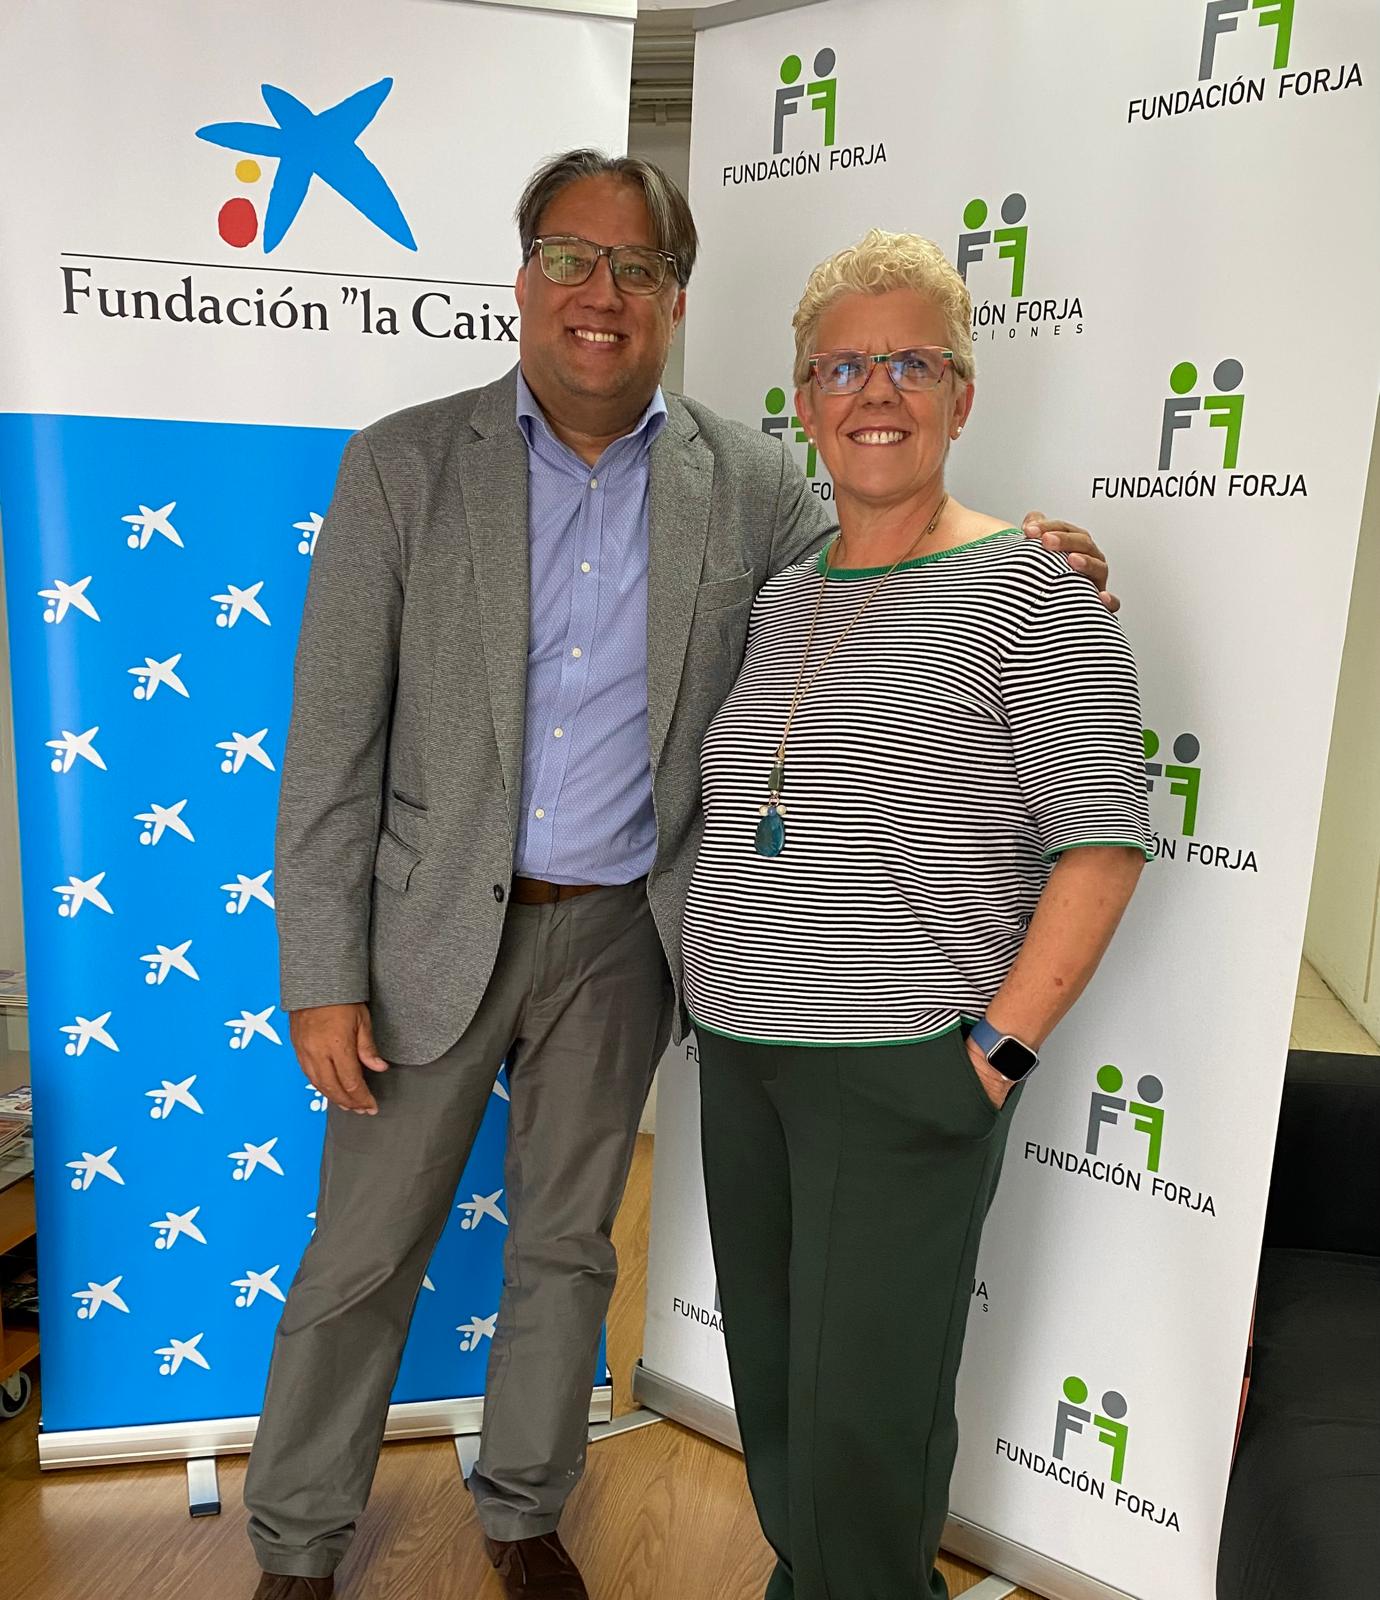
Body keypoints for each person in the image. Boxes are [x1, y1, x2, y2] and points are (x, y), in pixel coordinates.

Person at [245, 154, 1118, 1600]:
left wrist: (1041, 551)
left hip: (621, 944)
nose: (602, 293)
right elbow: (331, 746)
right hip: (426, 935)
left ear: (675, 299)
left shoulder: (753, 478)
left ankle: (524, 1514)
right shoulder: (402, 464)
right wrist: (322, 974)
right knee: (361, 1256)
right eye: (571, 258)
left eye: (637, 268)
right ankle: (296, 1543)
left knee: (566, 1249)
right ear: (523, 276)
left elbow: (889, 546)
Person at [682, 229, 1151, 1600]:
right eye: (842, 367)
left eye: (910, 362)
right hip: (744, 1063)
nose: (874, 390)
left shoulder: (1030, 591)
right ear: (804, 400)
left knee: (863, 1429)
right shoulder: (783, 596)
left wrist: (993, 1054)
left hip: (897, 1072)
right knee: (782, 1401)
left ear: (961, 393)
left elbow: (1102, 846)